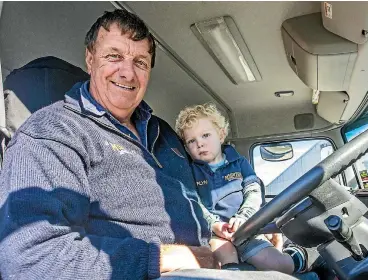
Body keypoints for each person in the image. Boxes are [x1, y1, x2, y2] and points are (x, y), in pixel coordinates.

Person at [0, 9, 318, 280]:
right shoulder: (54, 131)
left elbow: (188, 201)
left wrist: (216, 227)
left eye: (140, 61)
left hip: (213, 259)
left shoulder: (161, 133)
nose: (128, 71)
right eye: (114, 56)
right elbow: (30, 257)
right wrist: (162, 259)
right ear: (90, 59)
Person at [175, 103, 307, 275]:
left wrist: (244, 217)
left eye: (205, 135)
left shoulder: (239, 163)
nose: (200, 144)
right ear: (186, 147)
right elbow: (194, 203)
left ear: (221, 135)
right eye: (191, 141)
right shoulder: (191, 171)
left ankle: (295, 257)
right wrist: (214, 224)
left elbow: (253, 191)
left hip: (247, 227)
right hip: (216, 232)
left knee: (278, 265)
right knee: (225, 261)